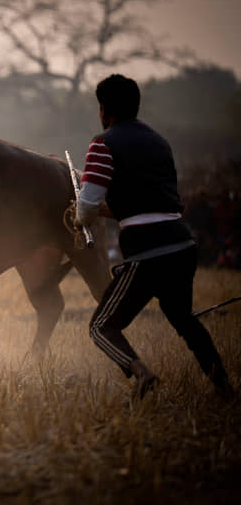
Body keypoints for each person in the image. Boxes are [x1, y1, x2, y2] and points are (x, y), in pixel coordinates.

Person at [75, 74, 232, 400]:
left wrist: (79, 215)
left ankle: (142, 374)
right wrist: (107, 210)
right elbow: (148, 204)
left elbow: (87, 205)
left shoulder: (103, 144)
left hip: (148, 253)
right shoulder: (160, 142)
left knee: (101, 328)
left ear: (104, 109)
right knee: (184, 321)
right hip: (181, 245)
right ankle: (225, 387)